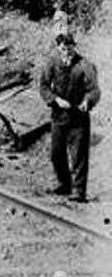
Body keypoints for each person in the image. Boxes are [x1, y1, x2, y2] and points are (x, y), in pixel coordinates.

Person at [38, 33, 100, 203]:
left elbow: (94, 89)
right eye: (64, 48)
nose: (67, 51)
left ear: (75, 45)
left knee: (78, 155)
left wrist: (88, 102)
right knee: (56, 154)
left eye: (70, 47)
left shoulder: (84, 65)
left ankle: (79, 192)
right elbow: (43, 86)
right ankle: (64, 184)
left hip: (78, 116)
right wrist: (55, 100)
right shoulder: (52, 63)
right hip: (59, 115)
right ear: (59, 48)